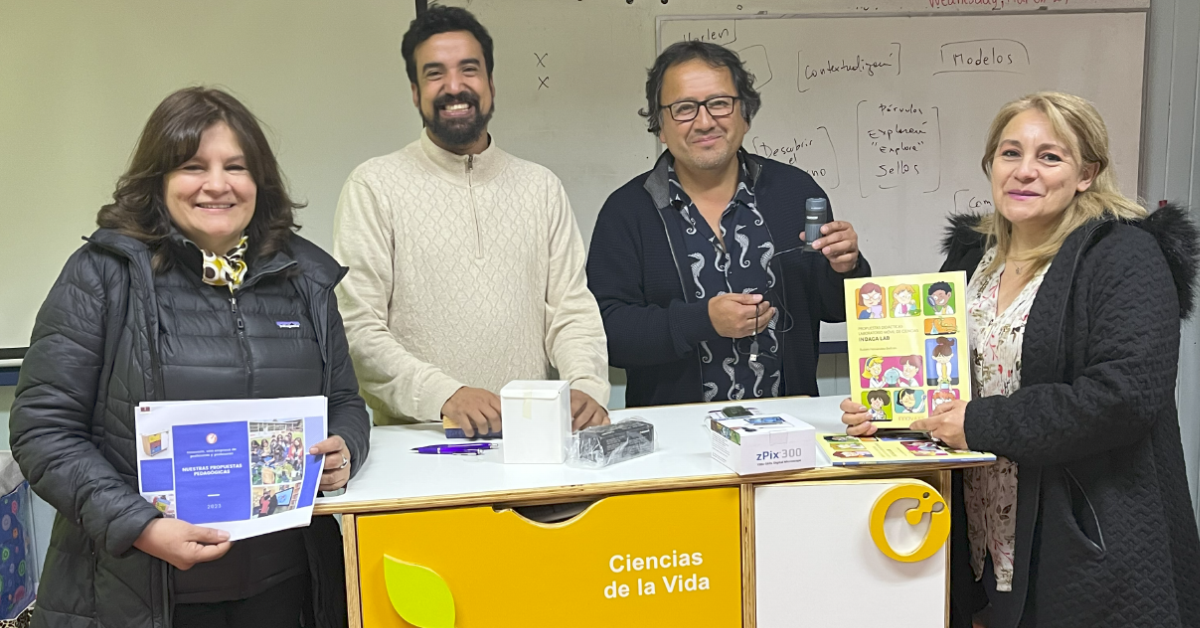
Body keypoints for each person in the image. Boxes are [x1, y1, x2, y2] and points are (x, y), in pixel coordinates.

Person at [9, 87, 371, 628]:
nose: (218, 184)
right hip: (137, 592)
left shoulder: (306, 279)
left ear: (259, 182)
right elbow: (44, 431)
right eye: (193, 166)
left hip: (286, 586)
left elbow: (344, 401)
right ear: (159, 180)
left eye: (237, 167)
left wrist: (346, 449)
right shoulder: (102, 275)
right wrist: (140, 526)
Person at [840, 92, 1200, 628]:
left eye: (1049, 157)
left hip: (1082, 539)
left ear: (1087, 173)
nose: (1024, 172)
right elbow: (946, 383)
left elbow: (1124, 398)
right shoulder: (971, 258)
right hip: (978, 536)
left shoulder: (1123, 256)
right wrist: (892, 412)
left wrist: (981, 423)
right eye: (1010, 154)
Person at [333, 6, 610, 436]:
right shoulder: (373, 186)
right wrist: (446, 394)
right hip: (419, 445)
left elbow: (571, 310)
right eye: (434, 73)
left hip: (531, 441)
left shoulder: (541, 187)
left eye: (469, 69)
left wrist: (586, 388)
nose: (455, 86)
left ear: (491, 84)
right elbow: (358, 327)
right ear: (414, 91)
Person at [587, 40, 870, 406]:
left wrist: (847, 269)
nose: (705, 122)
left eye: (719, 103)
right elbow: (607, 335)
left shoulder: (795, 193)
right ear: (660, 126)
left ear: (745, 114)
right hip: (679, 445)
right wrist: (701, 321)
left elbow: (837, 310)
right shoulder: (626, 212)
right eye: (684, 109)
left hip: (790, 433)